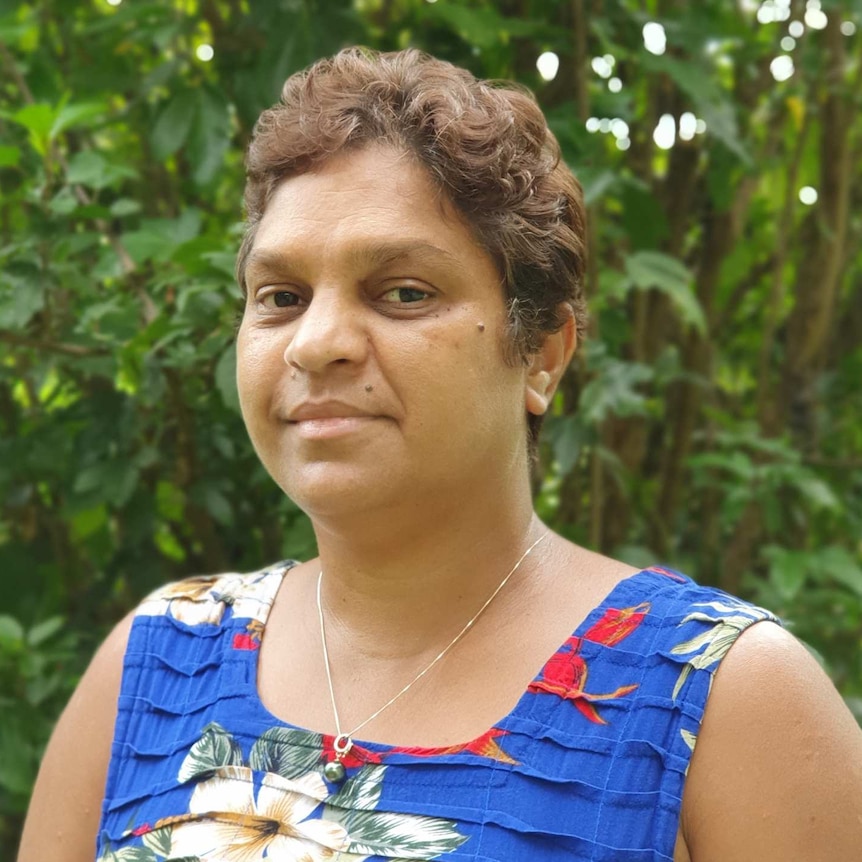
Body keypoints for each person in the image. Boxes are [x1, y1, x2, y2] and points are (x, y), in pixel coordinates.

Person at [18, 48, 862, 862]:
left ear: (542, 354)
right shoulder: (156, 664)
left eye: (404, 293)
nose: (318, 343)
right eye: (280, 297)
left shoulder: (721, 700)